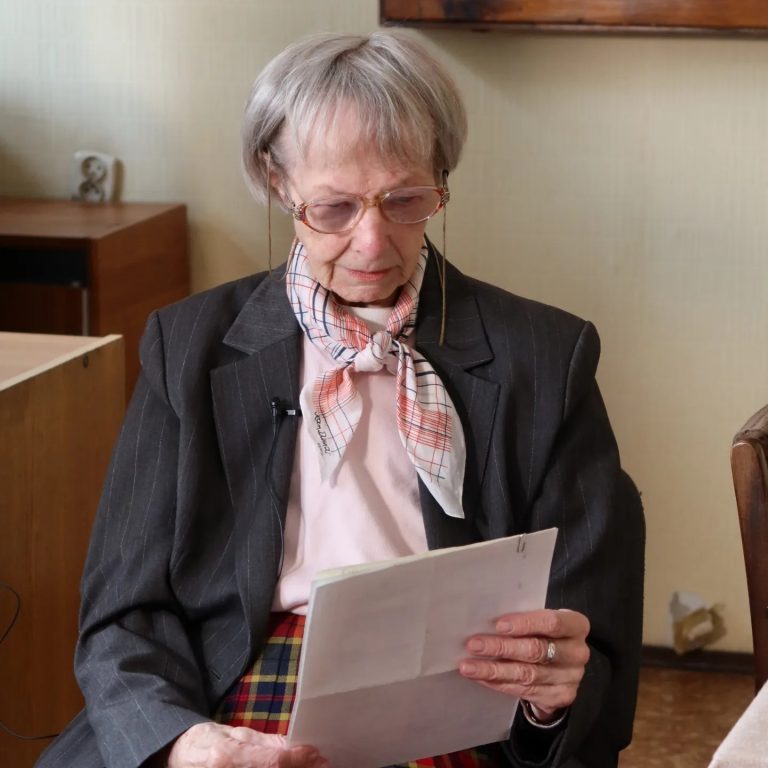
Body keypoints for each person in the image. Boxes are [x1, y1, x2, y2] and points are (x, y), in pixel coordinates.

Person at [36, 30, 644, 768]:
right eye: (333, 209)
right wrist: (185, 741)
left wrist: (552, 694)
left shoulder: (547, 357)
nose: (372, 243)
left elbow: (592, 635)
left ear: (440, 178)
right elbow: (122, 614)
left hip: (448, 696)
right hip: (222, 684)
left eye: (407, 201)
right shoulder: (188, 346)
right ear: (277, 182)